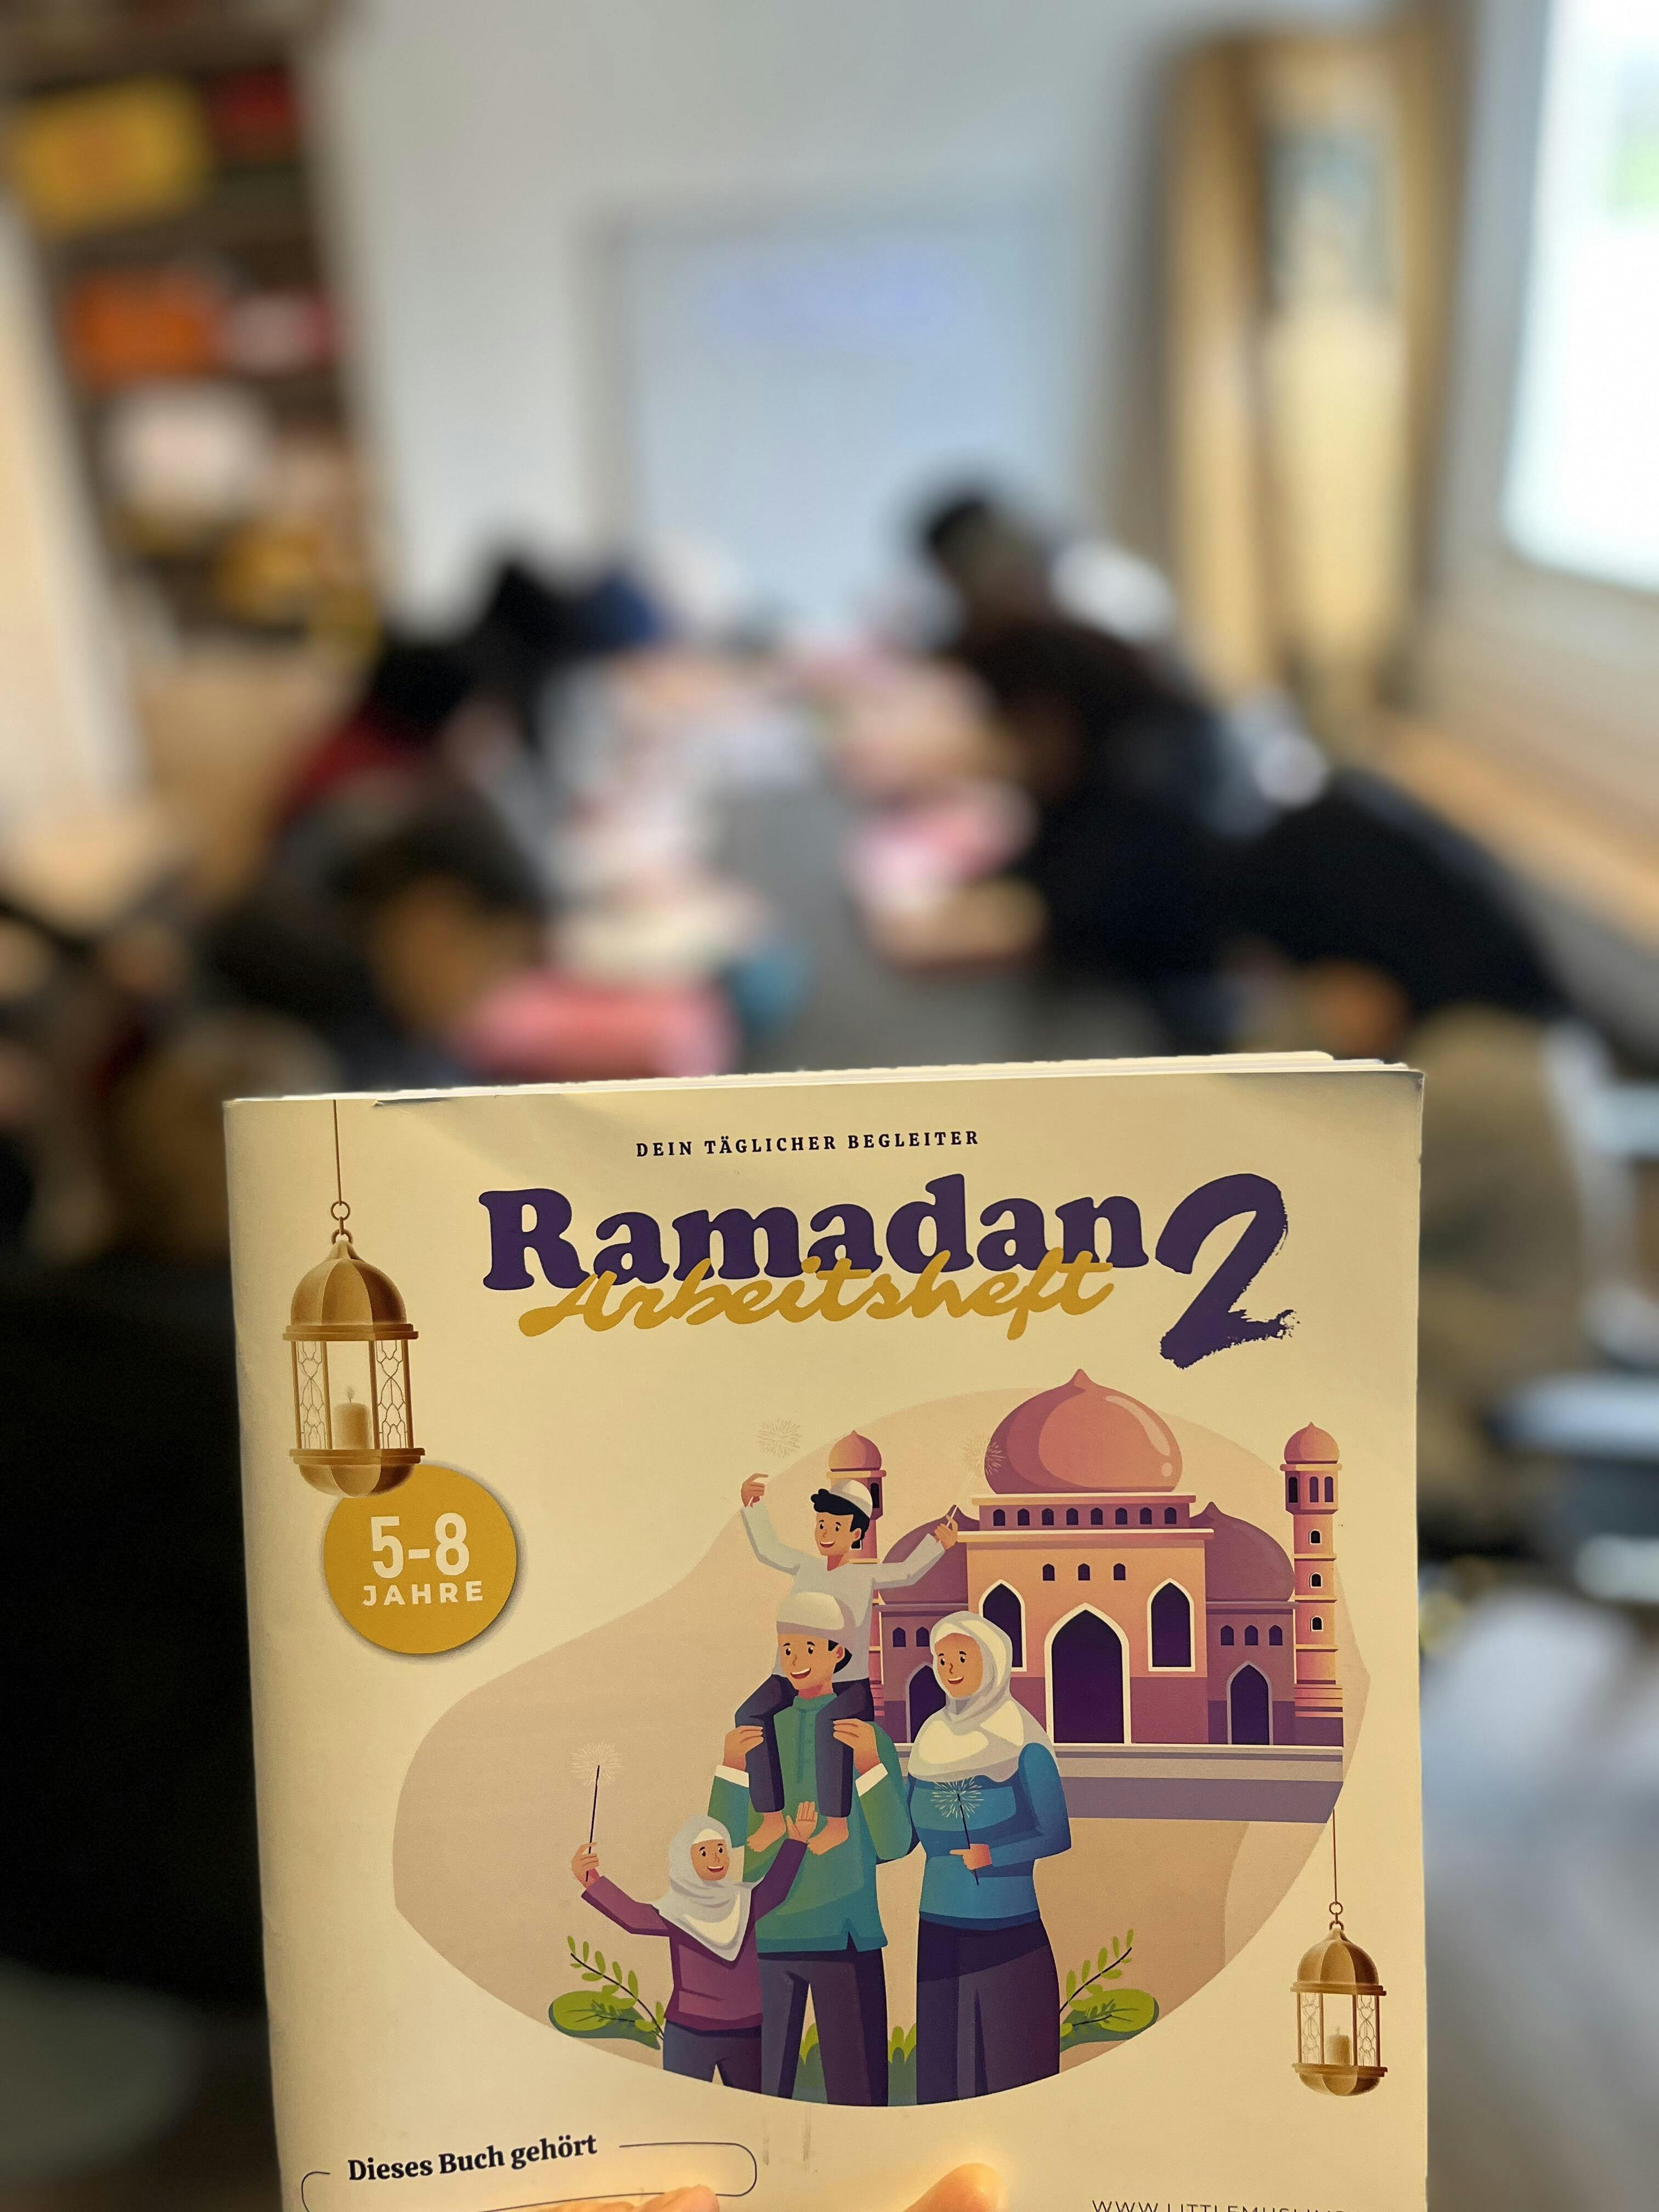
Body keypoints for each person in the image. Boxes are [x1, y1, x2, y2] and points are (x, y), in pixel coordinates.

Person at [1229, 776, 1586, 1548]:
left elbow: (1263, 1222)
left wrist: (1309, 1035)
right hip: (1458, 1389)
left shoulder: (1465, 1085)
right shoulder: (1514, 1042)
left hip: (1458, 1433)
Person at [856, 1611, 1069, 2102]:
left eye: (961, 1657)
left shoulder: (1023, 1741)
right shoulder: (931, 1740)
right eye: (941, 1658)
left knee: (1009, 2067)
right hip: (938, 1929)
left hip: (1007, 1931)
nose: (948, 1667)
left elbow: (1055, 1833)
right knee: (943, 2069)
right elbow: (900, 1841)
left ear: (991, 1663)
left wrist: (992, 1855)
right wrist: (870, 1770)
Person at [710, 1594, 913, 2104]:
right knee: (762, 2099)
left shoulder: (866, 1737)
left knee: (859, 2097)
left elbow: (895, 1844)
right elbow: (722, 1844)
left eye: (808, 1647)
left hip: (844, 1935)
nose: (795, 1660)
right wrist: (730, 1768)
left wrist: (869, 1765)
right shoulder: (758, 1732)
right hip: (767, 1935)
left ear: (837, 1653)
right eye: (786, 1648)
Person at [736, 1468, 957, 1852]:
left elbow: (907, 1572)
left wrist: (937, 1544)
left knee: (830, 1722)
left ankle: (836, 1823)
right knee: (748, 1714)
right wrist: (753, 1507)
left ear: (856, 1534)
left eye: (835, 1526)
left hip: (847, 1682)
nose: (825, 1533)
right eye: (821, 1524)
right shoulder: (805, 1566)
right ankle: (771, 1817)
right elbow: (769, 1549)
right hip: (790, 1674)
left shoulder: (863, 1576)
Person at [572, 1806, 814, 2091]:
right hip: (689, 2032)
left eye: (721, 1849)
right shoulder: (675, 1911)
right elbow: (633, 1917)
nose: (716, 1858)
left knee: (747, 2108)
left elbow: (775, 1889)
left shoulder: (744, 1903)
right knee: (684, 2105)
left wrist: (797, 1842)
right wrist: (592, 1882)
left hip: (746, 2031)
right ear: (685, 1860)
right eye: (704, 1852)